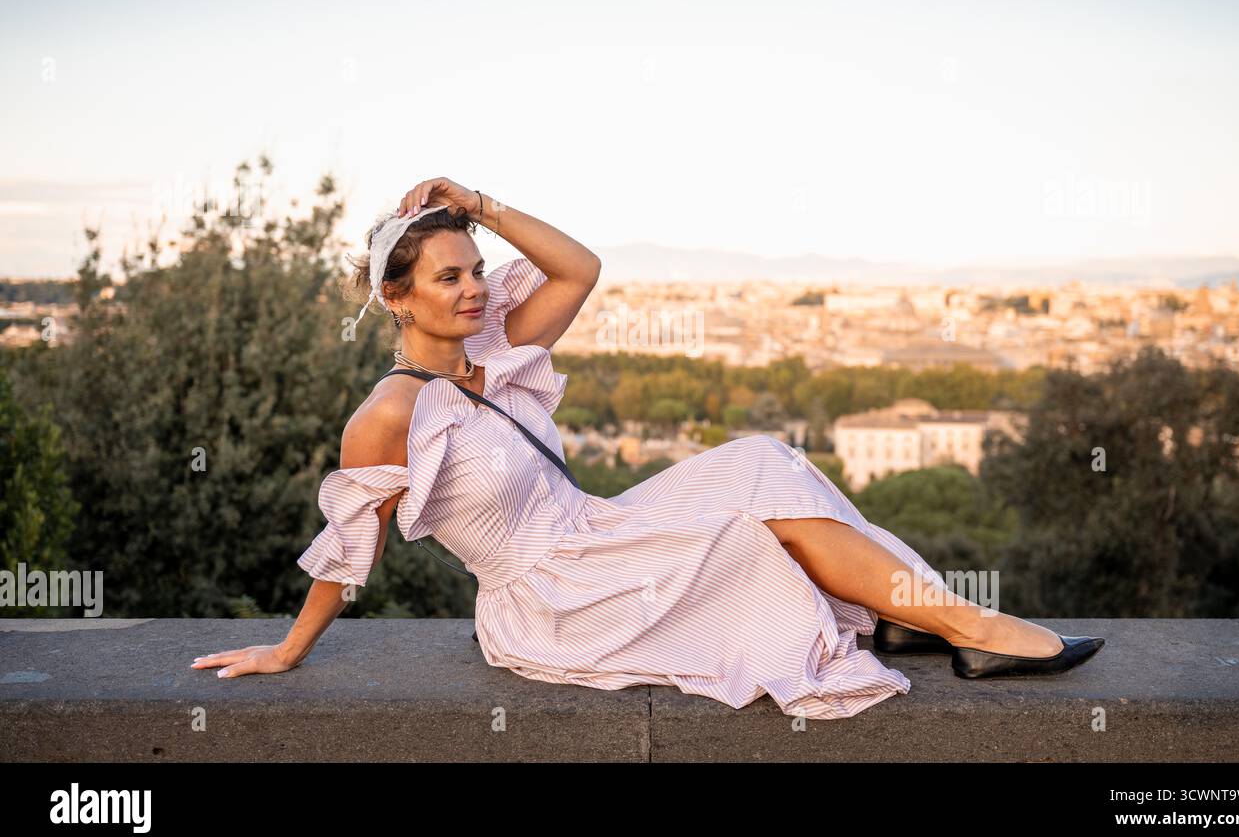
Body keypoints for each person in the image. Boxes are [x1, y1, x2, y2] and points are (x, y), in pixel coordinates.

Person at [191, 176, 1103, 718]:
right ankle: (968, 628)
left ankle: (918, 610)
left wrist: (476, 201)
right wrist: (287, 649)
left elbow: (580, 268)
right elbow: (358, 546)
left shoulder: (499, 356)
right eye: (448, 278)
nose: (472, 290)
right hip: (554, 596)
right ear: (398, 298)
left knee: (760, 457)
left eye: (474, 271)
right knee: (747, 525)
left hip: (601, 529)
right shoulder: (387, 413)